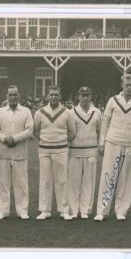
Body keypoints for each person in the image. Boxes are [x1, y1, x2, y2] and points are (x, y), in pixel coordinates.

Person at [95, 74, 131, 221]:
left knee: (126, 178)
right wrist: (102, 142)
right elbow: (105, 122)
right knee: (108, 175)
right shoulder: (113, 100)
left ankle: (121, 210)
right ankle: (102, 210)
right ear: (121, 85)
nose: (129, 88)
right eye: (126, 85)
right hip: (112, 141)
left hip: (130, 143)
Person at [33, 85, 76, 220]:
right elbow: (34, 131)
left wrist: (61, 141)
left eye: (56, 95)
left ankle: (64, 210)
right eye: (51, 95)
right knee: (45, 180)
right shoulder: (40, 112)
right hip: (44, 150)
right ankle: (45, 210)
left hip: (61, 150)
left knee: (62, 180)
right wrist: (45, 140)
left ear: (60, 96)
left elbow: (73, 132)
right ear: (47, 96)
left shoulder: (67, 112)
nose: (53, 97)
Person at [0, 85, 34, 220]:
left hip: (20, 152)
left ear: (19, 96)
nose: (13, 97)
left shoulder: (26, 111)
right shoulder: (0, 112)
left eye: (15, 94)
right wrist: (4, 139)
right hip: (3, 151)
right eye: (10, 95)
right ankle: (3, 211)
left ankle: (22, 211)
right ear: (7, 96)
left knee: (21, 182)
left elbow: (29, 131)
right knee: (2, 182)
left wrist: (14, 139)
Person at [67, 86, 102, 219]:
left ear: (91, 96)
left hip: (91, 150)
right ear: (78, 96)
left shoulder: (97, 112)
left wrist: (99, 145)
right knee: (74, 181)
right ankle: (74, 209)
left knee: (89, 181)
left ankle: (85, 210)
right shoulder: (71, 112)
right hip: (75, 150)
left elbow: (99, 130)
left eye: (88, 95)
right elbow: (69, 131)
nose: (85, 98)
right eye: (83, 95)